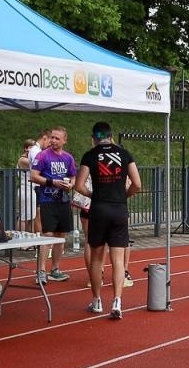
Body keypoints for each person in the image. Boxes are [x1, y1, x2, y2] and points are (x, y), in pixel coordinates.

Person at [75, 121, 141, 319]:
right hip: (119, 208)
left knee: (97, 258)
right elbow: (137, 183)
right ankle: (117, 301)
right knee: (118, 260)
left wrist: (93, 194)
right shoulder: (124, 153)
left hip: (99, 209)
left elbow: (79, 186)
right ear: (111, 136)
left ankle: (96, 301)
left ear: (94, 138)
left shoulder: (90, 155)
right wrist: (124, 195)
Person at [30, 125, 75, 281]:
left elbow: (73, 176)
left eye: (57, 138)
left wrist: (71, 184)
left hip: (63, 201)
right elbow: (34, 175)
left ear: (64, 140)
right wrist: (52, 182)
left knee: (60, 235)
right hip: (47, 200)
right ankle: (41, 271)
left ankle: (55, 268)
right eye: (52, 137)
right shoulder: (42, 156)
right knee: (47, 234)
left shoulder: (68, 158)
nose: (53, 141)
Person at [16, 135, 42, 234]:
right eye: (28, 147)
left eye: (32, 147)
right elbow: (36, 163)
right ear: (25, 148)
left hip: (32, 190)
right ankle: (21, 239)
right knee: (24, 216)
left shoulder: (30, 158)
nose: (30, 150)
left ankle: (29, 238)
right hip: (25, 190)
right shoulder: (22, 160)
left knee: (31, 216)